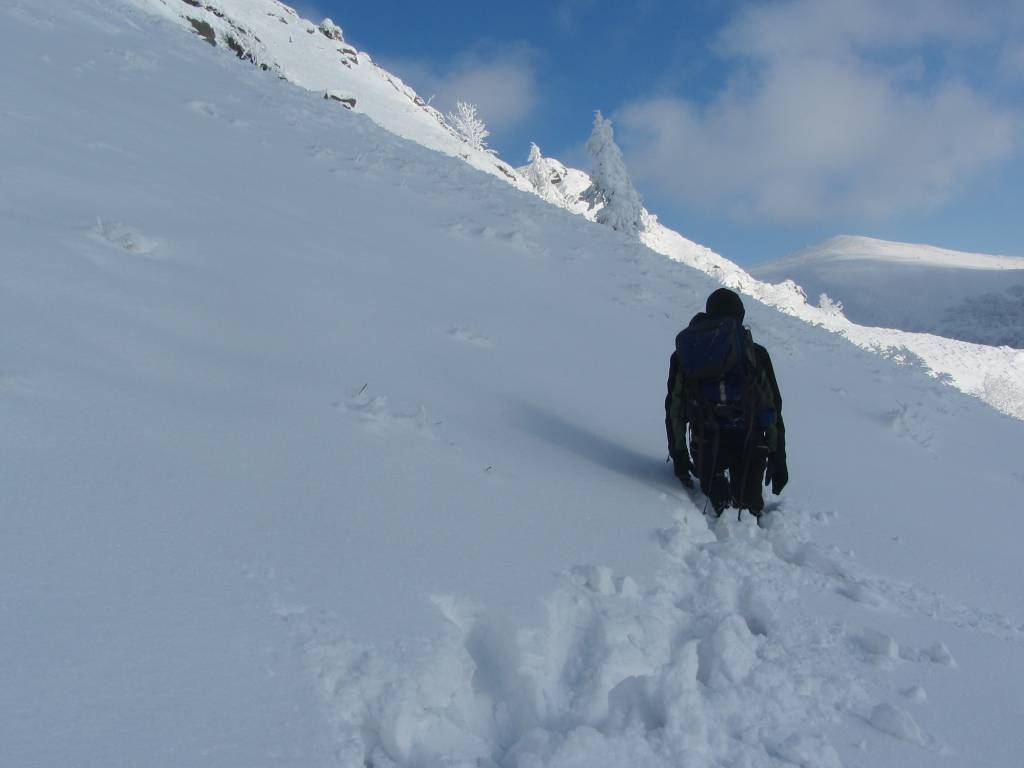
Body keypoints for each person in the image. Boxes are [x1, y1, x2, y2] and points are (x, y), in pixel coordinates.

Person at [665, 288, 787, 517]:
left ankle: (719, 497)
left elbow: (675, 408)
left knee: (717, 498)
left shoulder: (687, 354)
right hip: (750, 442)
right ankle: (749, 512)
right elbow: (773, 408)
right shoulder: (755, 353)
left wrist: (679, 454)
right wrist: (778, 459)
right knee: (749, 508)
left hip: (705, 441)